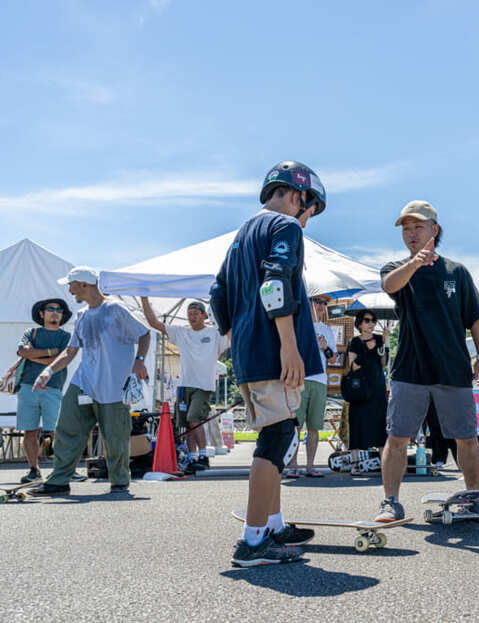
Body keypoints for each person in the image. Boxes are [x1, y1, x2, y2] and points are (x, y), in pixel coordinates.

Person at [210, 160, 326, 566]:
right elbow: (275, 281)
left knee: (280, 435)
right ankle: (253, 541)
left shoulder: (242, 235)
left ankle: (274, 525)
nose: (307, 220)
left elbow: (216, 294)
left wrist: (237, 336)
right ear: (299, 197)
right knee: (276, 441)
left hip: (248, 352)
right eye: (310, 210)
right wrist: (288, 346)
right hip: (273, 352)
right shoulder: (286, 227)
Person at [378, 200, 479, 522]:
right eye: (406, 228)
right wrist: (415, 264)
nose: (411, 233)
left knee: (466, 438)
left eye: (418, 226)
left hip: (453, 368)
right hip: (409, 369)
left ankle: (475, 498)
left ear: (435, 229)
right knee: (398, 438)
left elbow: (475, 318)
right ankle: (390, 502)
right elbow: (390, 286)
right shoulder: (396, 269)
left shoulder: (457, 272)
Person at [28, 267, 150, 496]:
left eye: (71, 284)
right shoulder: (82, 315)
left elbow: (144, 333)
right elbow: (71, 351)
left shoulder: (115, 309)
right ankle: (59, 481)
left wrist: (140, 360)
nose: (69, 289)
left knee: (115, 436)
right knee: (67, 428)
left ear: (83, 284)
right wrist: (48, 370)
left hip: (114, 387)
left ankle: (120, 481)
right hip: (85, 382)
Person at [140, 298, 227, 474]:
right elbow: (154, 323)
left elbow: (233, 330)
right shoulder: (182, 333)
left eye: (195, 314)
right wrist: (144, 298)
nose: (192, 317)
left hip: (203, 385)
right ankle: (192, 457)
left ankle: (203, 457)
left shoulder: (215, 334)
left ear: (204, 315)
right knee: (186, 423)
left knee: (195, 418)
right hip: (183, 385)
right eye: (189, 314)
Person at [14, 298, 72, 483]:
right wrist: (49, 353)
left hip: (53, 388)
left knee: (57, 431)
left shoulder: (66, 337)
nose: (55, 312)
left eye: (59, 310)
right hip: (27, 388)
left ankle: (63, 470)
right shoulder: (31, 333)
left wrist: (34, 355)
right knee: (29, 432)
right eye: (50, 309)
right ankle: (34, 470)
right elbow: (23, 352)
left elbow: (61, 361)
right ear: (42, 313)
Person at [284, 292, 336, 478]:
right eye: (318, 301)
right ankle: (293, 465)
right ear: (308, 303)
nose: (321, 306)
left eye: (324, 303)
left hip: (320, 380)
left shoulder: (327, 330)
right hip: (299, 379)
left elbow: (333, 357)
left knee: (314, 427)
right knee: (296, 425)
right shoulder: (298, 325)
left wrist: (324, 347)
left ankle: (310, 466)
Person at [346, 308, 388, 476]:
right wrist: (367, 350)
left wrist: (385, 343)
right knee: (357, 423)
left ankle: (385, 463)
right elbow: (353, 366)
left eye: (373, 320)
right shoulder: (355, 342)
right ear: (359, 324)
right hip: (360, 388)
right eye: (367, 320)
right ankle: (355, 464)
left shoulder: (378, 339)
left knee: (380, 424)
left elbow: (383, 363)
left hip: (377, 387)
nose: (371, 323)